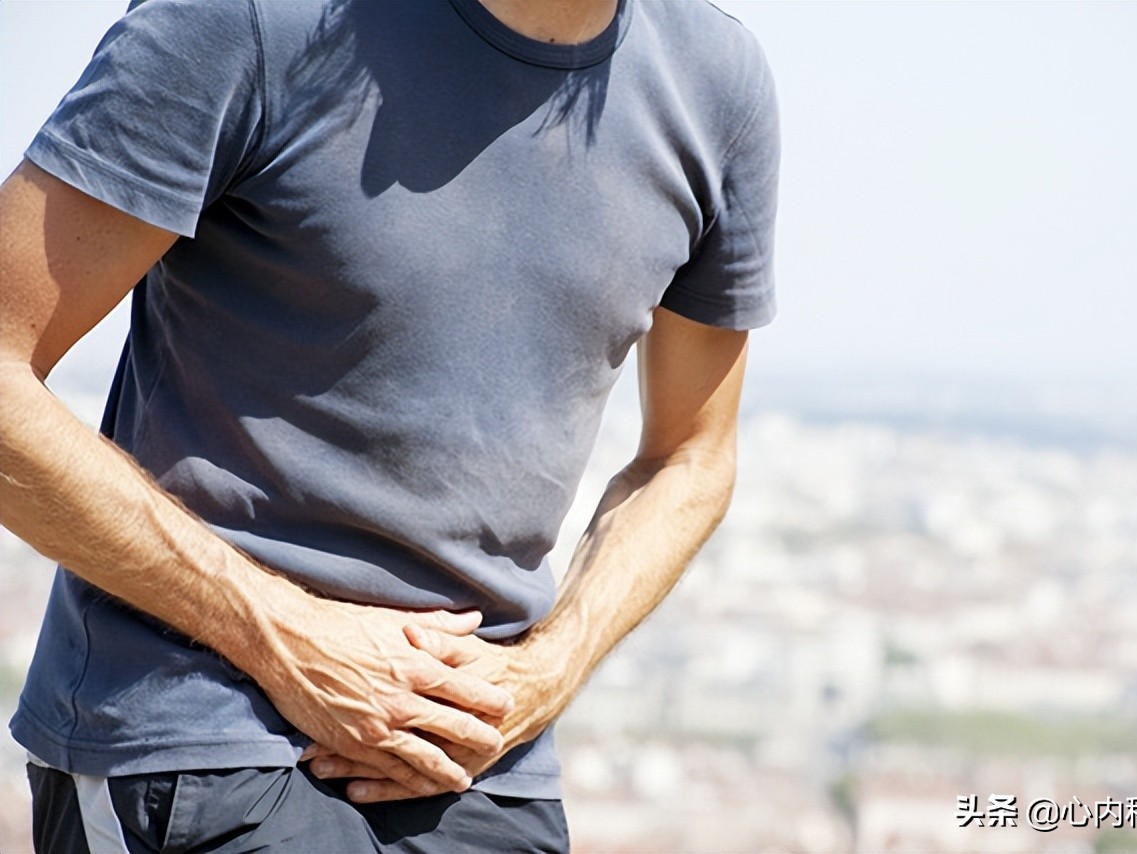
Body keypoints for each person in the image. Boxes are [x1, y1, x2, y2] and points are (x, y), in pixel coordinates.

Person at [0, 0, 778, 849]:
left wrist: (548, 671)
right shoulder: (249, 19)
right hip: (205, 742)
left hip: (485, 767)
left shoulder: (716, 80)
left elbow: (691, 455)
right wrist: (281, 635)